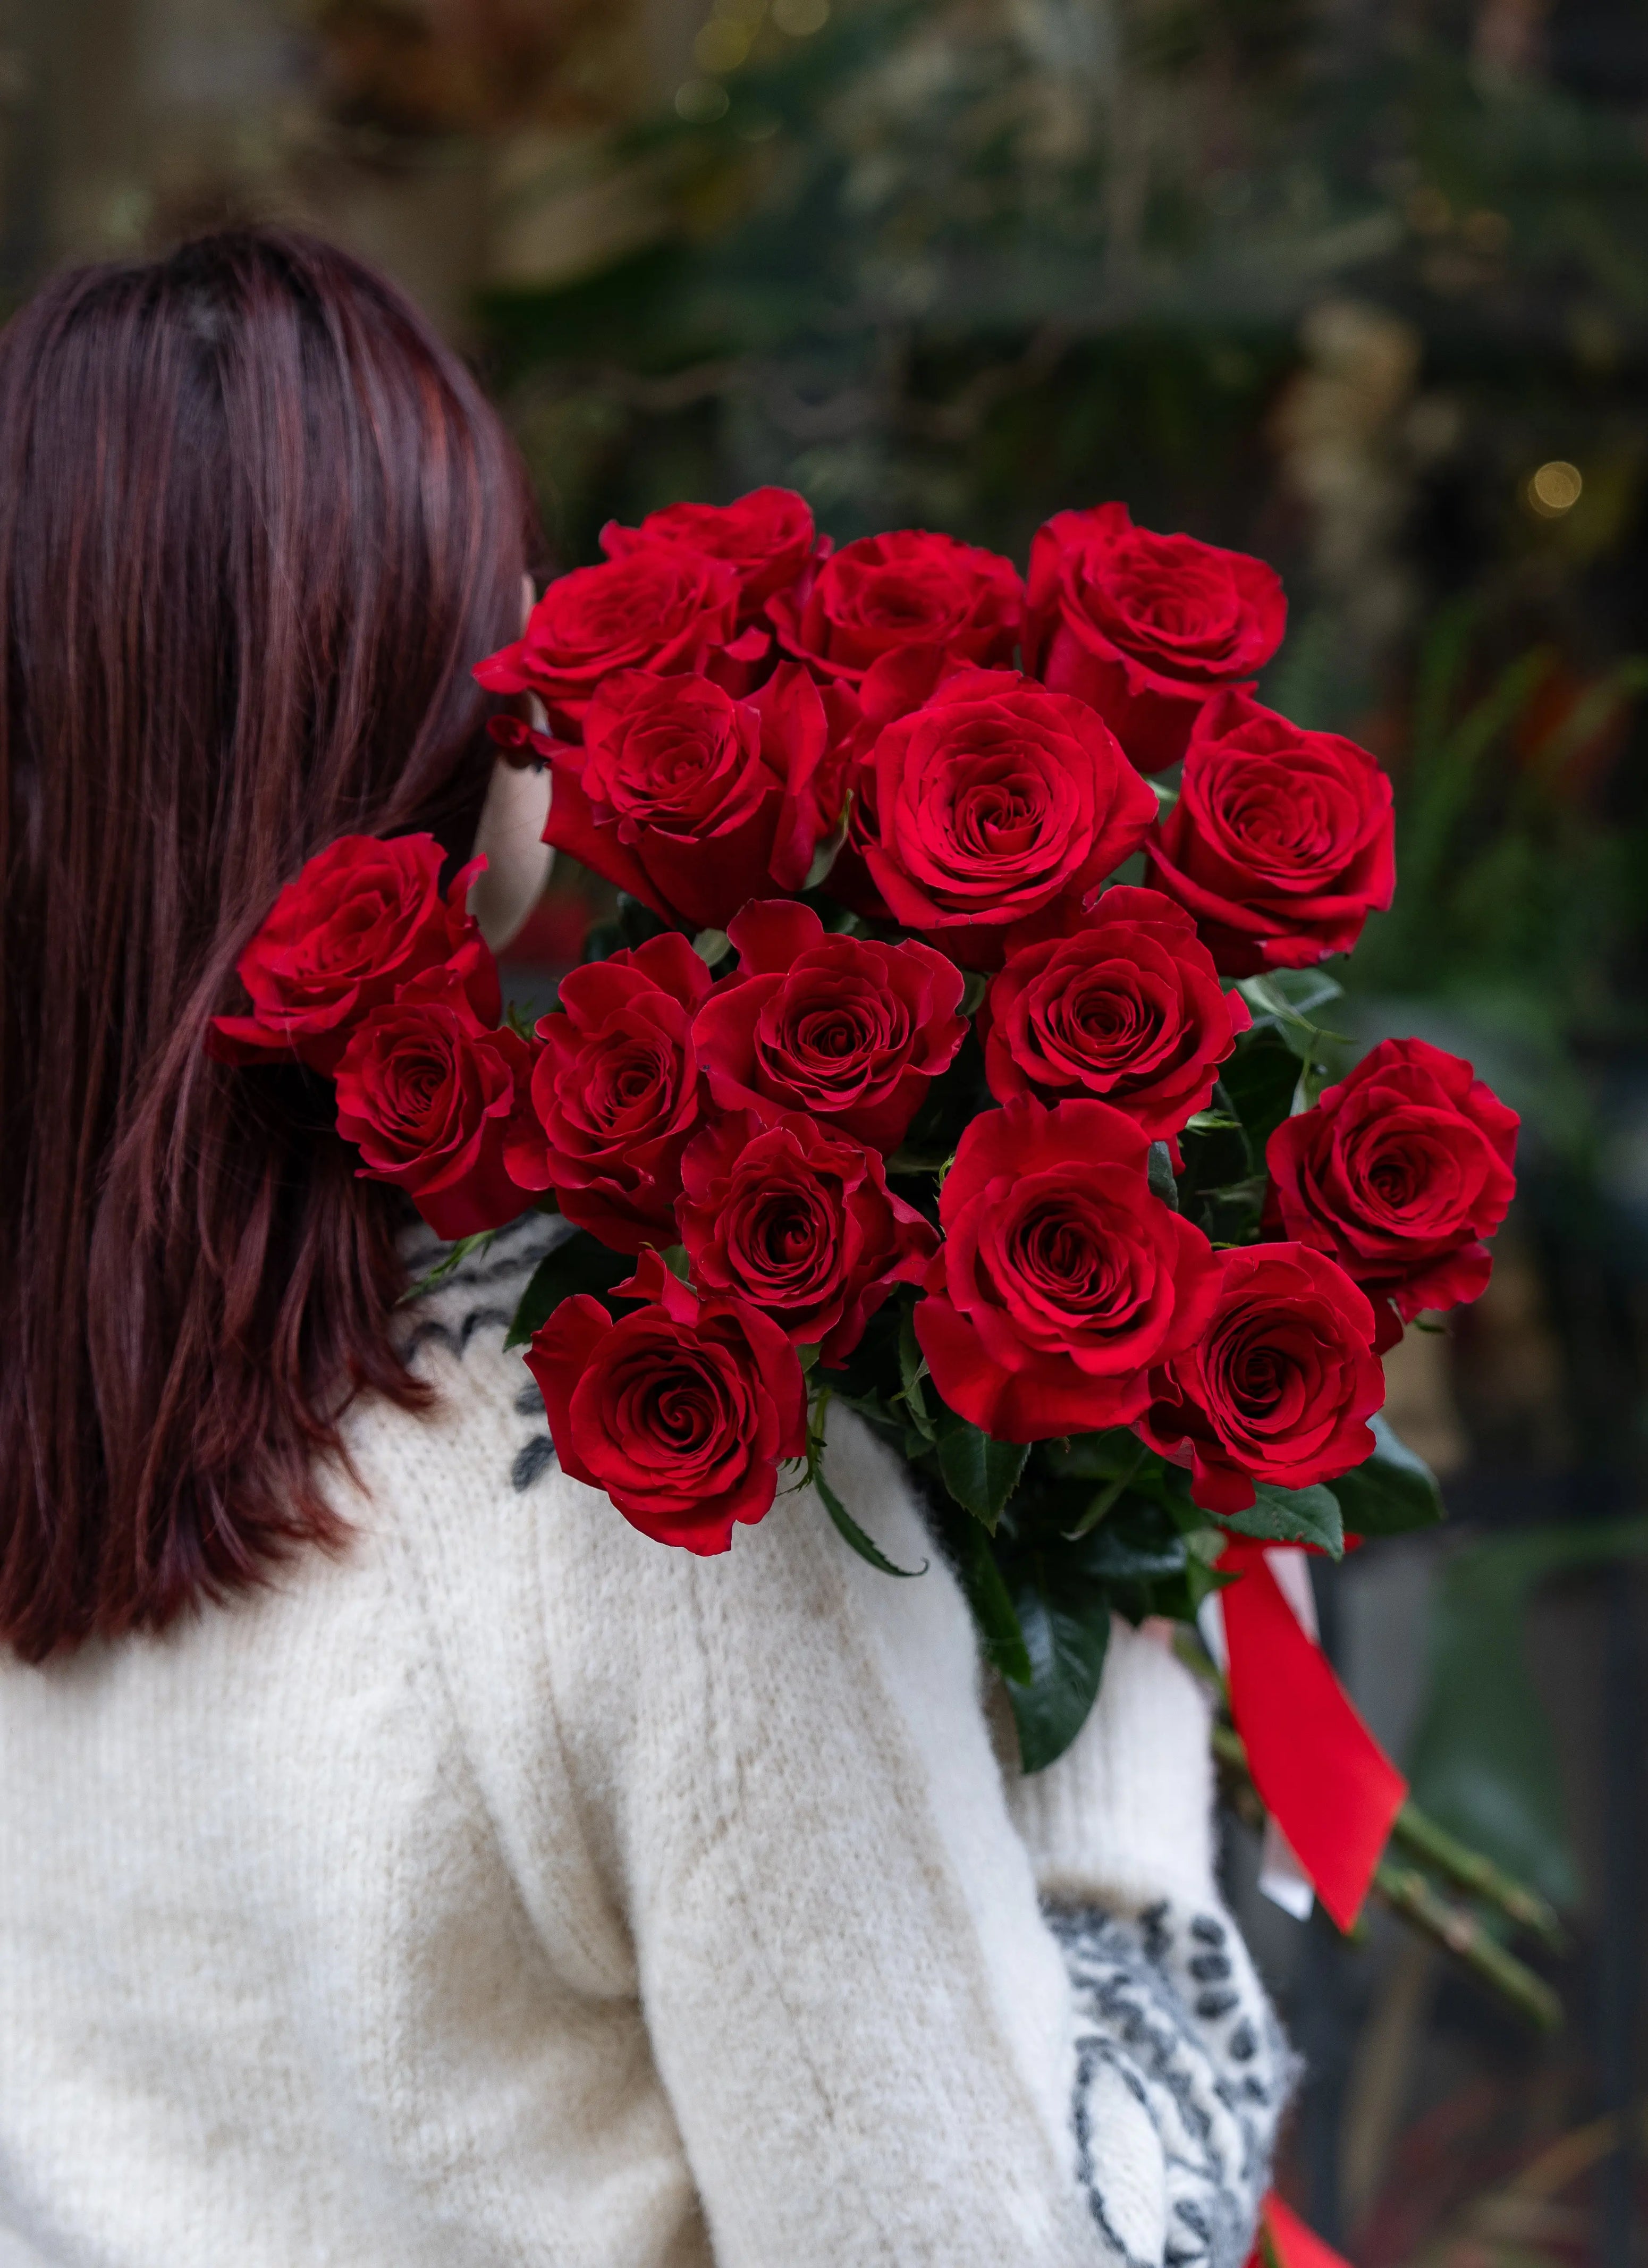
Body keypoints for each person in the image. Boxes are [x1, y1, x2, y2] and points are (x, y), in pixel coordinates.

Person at [0, 229, 1291, 2266]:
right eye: (487, 612)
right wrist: (1124, 1762)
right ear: (401, 730)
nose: (534, 669)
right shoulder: (645, 1471)